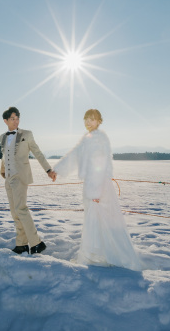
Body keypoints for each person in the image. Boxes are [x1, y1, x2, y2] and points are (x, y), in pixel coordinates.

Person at [52, 109, 143, 270]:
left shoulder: (99, 138)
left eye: (92, 119)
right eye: (86, 119)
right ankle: (95, 256)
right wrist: (57, 170)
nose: (88, 122)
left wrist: (96, 191)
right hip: (92, 185)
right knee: (94, 221)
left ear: (99, 121)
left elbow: (101, 165)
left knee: (102, 221)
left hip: (99, 186)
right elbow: (74, 156)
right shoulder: (87, 138)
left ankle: (101, 257)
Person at [0, 106, 56, 255]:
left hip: (20, 176)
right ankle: (21, 244)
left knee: (21, 209)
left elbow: (37, 152)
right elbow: (5, 155)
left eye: (17, 118)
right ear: (5, 121)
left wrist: (48, 170)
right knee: (15, 212)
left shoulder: (27, 134)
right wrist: (3, 170)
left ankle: (37, 243)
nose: (16, 121)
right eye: (12, 118)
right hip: (9, 178)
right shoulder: (3, 137)